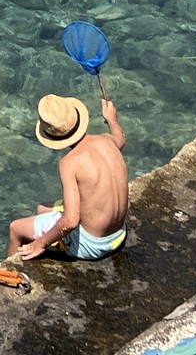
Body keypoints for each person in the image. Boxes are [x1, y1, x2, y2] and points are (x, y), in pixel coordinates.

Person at [8, 94, 127, 261]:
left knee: (15, 228)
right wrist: (111, 119)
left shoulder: (69, 163)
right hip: (118, 234)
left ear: (51, 137)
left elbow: (71, 221)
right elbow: (120, 139)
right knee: (42, 208)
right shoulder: (107, 140)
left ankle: (10, 272)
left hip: (91, 246)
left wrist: (39, 244)